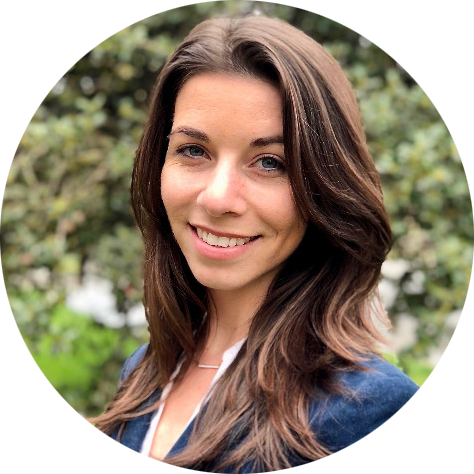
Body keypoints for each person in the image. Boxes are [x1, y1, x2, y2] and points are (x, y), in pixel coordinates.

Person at [92, 13, 420, 474]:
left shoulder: (368, 408)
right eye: (193, 151)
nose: (218, 198)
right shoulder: (142, 372)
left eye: (269, 162)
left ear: (323, 188)